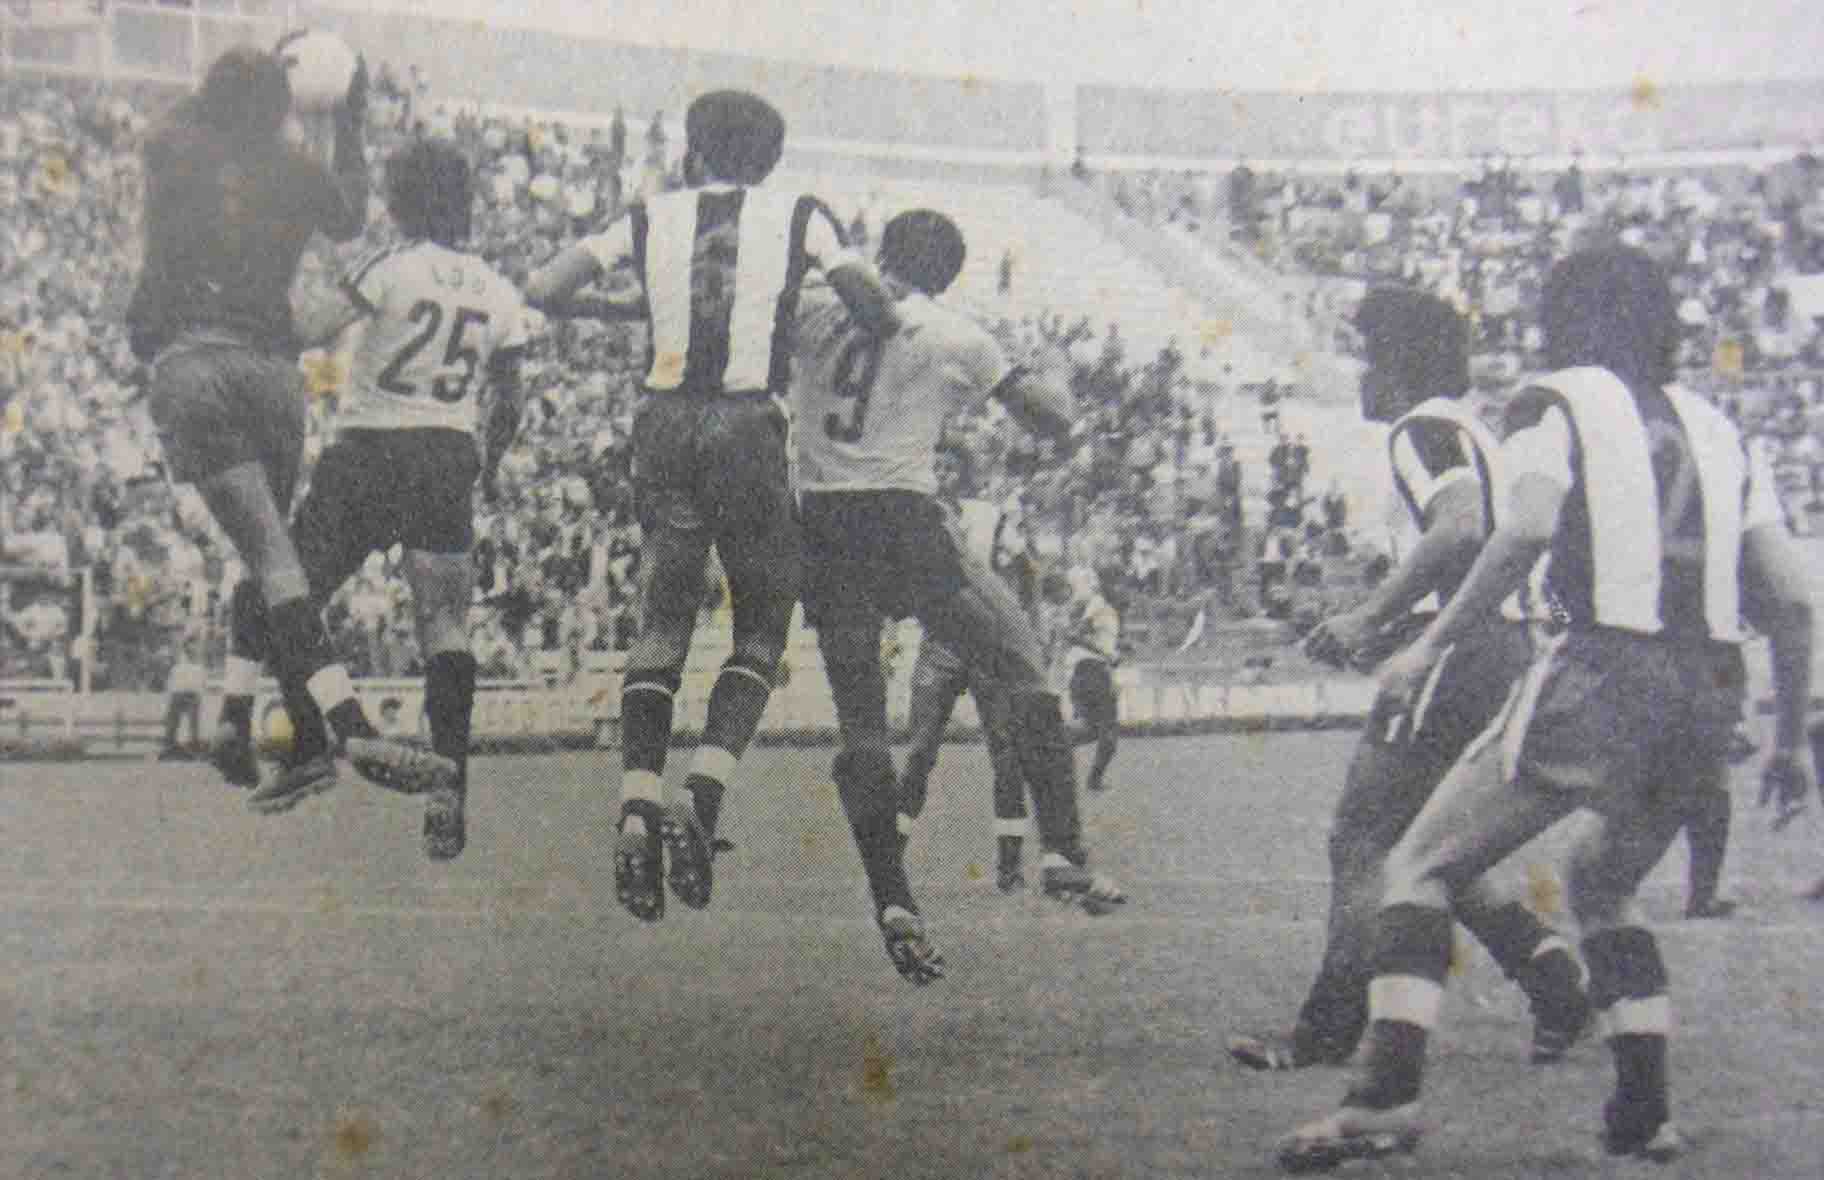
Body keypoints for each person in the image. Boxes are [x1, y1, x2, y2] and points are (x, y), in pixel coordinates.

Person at [1277, 246, 1815, 1171]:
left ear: (1568, 318)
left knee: (1419, 864)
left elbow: (1524, 525)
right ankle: (1643, 1115)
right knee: (1603, 884)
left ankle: (1381, 1101)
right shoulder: (1722, 426)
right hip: (1708, 691)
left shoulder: (1553, 400)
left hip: (1603, 665)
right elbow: (1794, 599)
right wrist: (1791, 739)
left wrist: (1426, 646)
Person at [526, 91, 897, 922]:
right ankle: (704, 791)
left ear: (694, 151)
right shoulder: (800, 214)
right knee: (761, 627)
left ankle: (636, 804)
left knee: (662, 624)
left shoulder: (650, 214)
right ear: (770, 160)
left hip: (662, 425)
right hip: (746, 426)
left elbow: (545, 286)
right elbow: (870, 305)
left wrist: (624, 307)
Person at [1229, 287, 1588, 1077]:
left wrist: (1372, 617)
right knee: (1432, 845)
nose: (1359, 373)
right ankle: (1555, 980)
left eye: (1366, 355)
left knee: (1361, 838)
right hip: (1499, 644)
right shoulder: (1474, 430)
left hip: (1460, 648)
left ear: (1396, 361)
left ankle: (1325, 1032)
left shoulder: (1420, 428)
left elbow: (1459, 526)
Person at [792, 208, 1126, 983]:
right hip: (902, 521)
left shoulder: (812, 305)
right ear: (947, 274)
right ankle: (1063, 852)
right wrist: (1051, 370)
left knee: (863, 727)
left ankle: (894, 901)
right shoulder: (952, 332)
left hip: (823, 526)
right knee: (1021, 663)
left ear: (884, 251)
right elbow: (1052, 420)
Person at [127, 46, 456, 815]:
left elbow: (165, 133)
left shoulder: (177, 147)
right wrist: (346, 115)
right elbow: (350, 214)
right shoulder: (297, 169)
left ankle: (346, 724)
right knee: (271, 554)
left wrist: (253, 78)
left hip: (195, 365)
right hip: (274, 376)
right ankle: (238, 713)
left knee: (271, 556)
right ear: (282, 105)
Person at [280, 138, 529, 860]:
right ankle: (451, 785)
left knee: (287, 592)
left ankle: (351, 726)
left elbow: (309, 329)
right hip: (445, 452)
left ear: (401, 201)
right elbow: (510, 401)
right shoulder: (498, 289)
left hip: (368, 450)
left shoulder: (390, 264)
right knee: (445, 624)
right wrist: (487, 461)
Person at [897, 496, 1030, 894]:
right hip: (941, 643)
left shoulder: (991, 517)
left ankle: (1010, 868)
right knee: (919, 753)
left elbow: (1028, 569)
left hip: (988, 644)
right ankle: (888, 863)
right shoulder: (913, 514)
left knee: (1007, 754)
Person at [1052, 566, 1120, 795]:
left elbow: (1082, 635)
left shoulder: (1097, 606)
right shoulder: (1097, 603)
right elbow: (1076, 636)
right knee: (1107, 733)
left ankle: (1048, 746)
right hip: (1094, 671)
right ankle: (1093, 782)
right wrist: (1107, 654)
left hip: (1082, 673)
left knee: (1089, 729)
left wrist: (1114, 649)